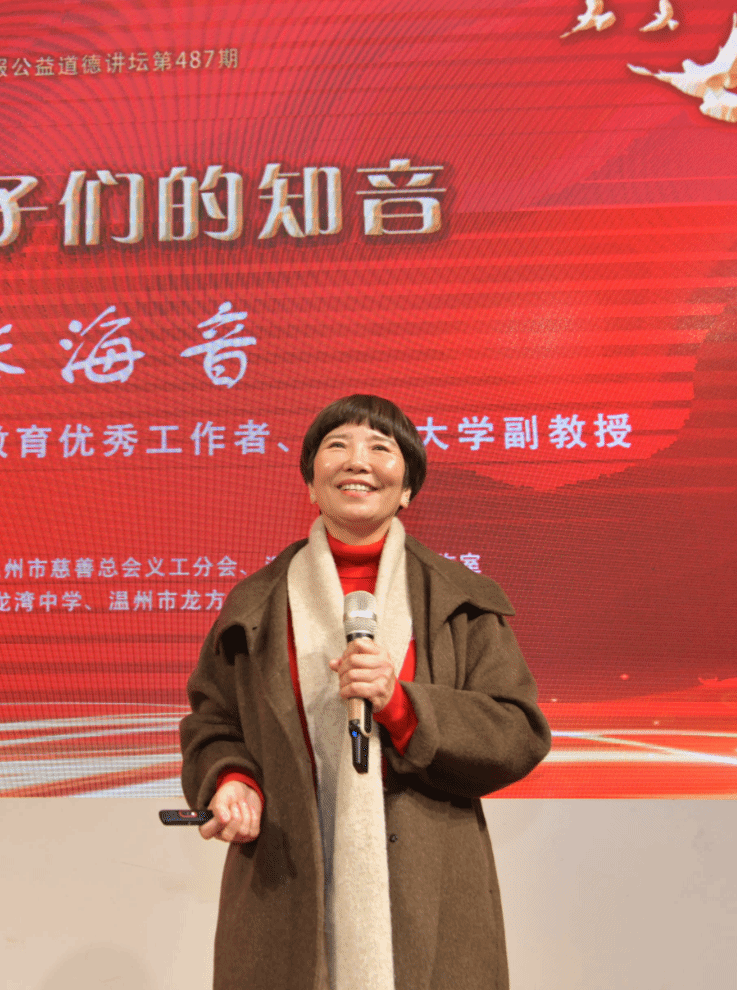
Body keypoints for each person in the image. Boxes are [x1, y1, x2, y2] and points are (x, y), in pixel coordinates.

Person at [180, 394, 550, 990]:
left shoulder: (460, 599)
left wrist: (401, 705)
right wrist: (232, 779)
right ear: (310, 482)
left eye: (381, 447)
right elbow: (213, 723)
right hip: (285, 882)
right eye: (337, 446)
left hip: (432, 890)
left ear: (407, 489)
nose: (358, 460)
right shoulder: (255, 604)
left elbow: (518, 731)